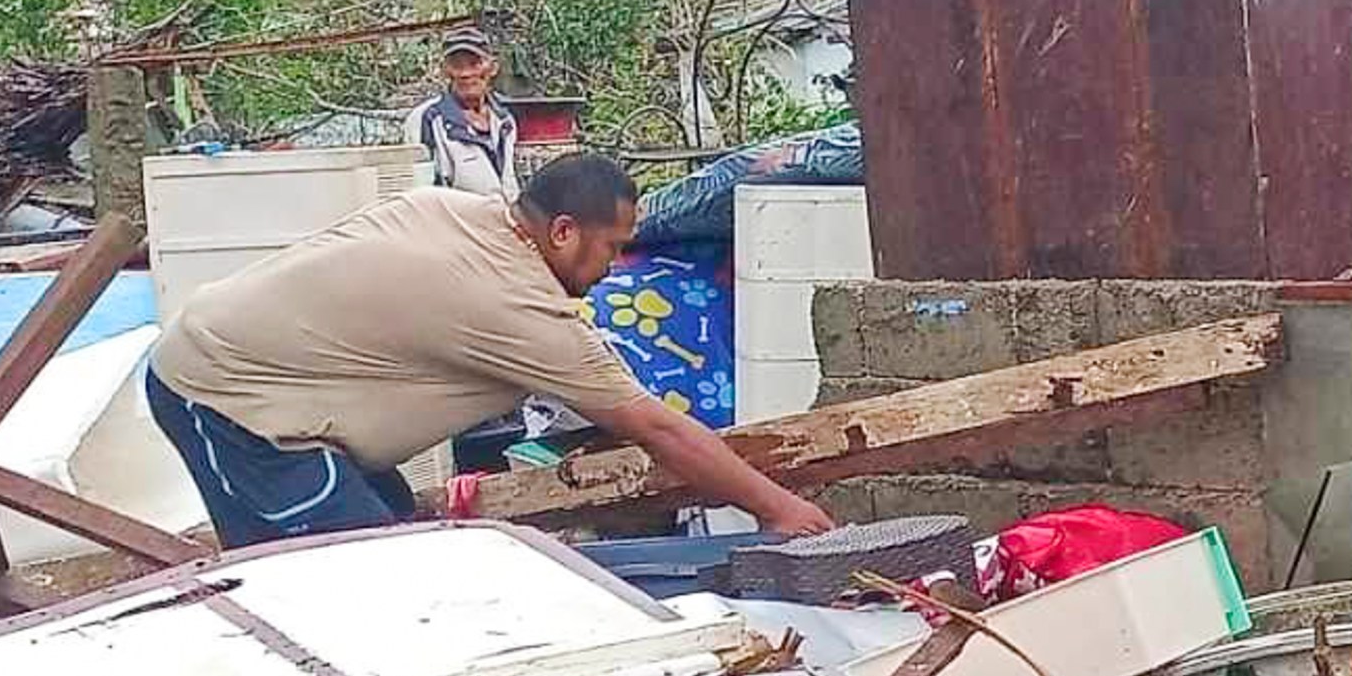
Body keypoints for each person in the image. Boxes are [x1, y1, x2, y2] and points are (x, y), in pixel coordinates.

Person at [145, 152, 835, 547]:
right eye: (613, 248)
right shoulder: (515, 304)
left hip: (274, 384)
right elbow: (656, 427)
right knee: (339, 584)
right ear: (563, 231)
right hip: (221, 398)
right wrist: (779, 510)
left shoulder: (454, 208)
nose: (616, 265)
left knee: (392, 530)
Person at [403, 22, 518, 197]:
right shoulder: (427, 119)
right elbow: (419, 190)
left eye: (474, 63)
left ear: (492, 68)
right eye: (457, 65)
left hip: (501, 220)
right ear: (445, 71)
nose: (465, 73)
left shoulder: (505, 120)